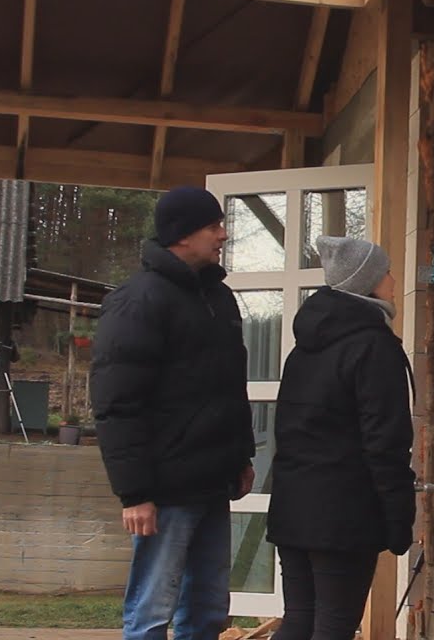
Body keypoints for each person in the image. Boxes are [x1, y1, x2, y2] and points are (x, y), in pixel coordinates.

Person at [91, 186, 256, 640]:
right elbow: (116, 403)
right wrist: (135, 493)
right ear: (182, 235)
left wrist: (240, 457)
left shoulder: (218, 299)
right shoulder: (138, 301)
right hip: (164, 491)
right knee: (151, 613)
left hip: (212, 483)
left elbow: (229, 388)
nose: (222, 235)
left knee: (206, 611)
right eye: (213, 226)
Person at [267, 236, 416, 640]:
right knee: (334, 627)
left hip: (294, 507)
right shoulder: (374, 347)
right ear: (367, 282)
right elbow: (386, 442)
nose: (392, 278)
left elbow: (289, 431)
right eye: (385, 271)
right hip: (343, 515)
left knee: (298, 620)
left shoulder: (304, 349)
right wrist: (399, 519)